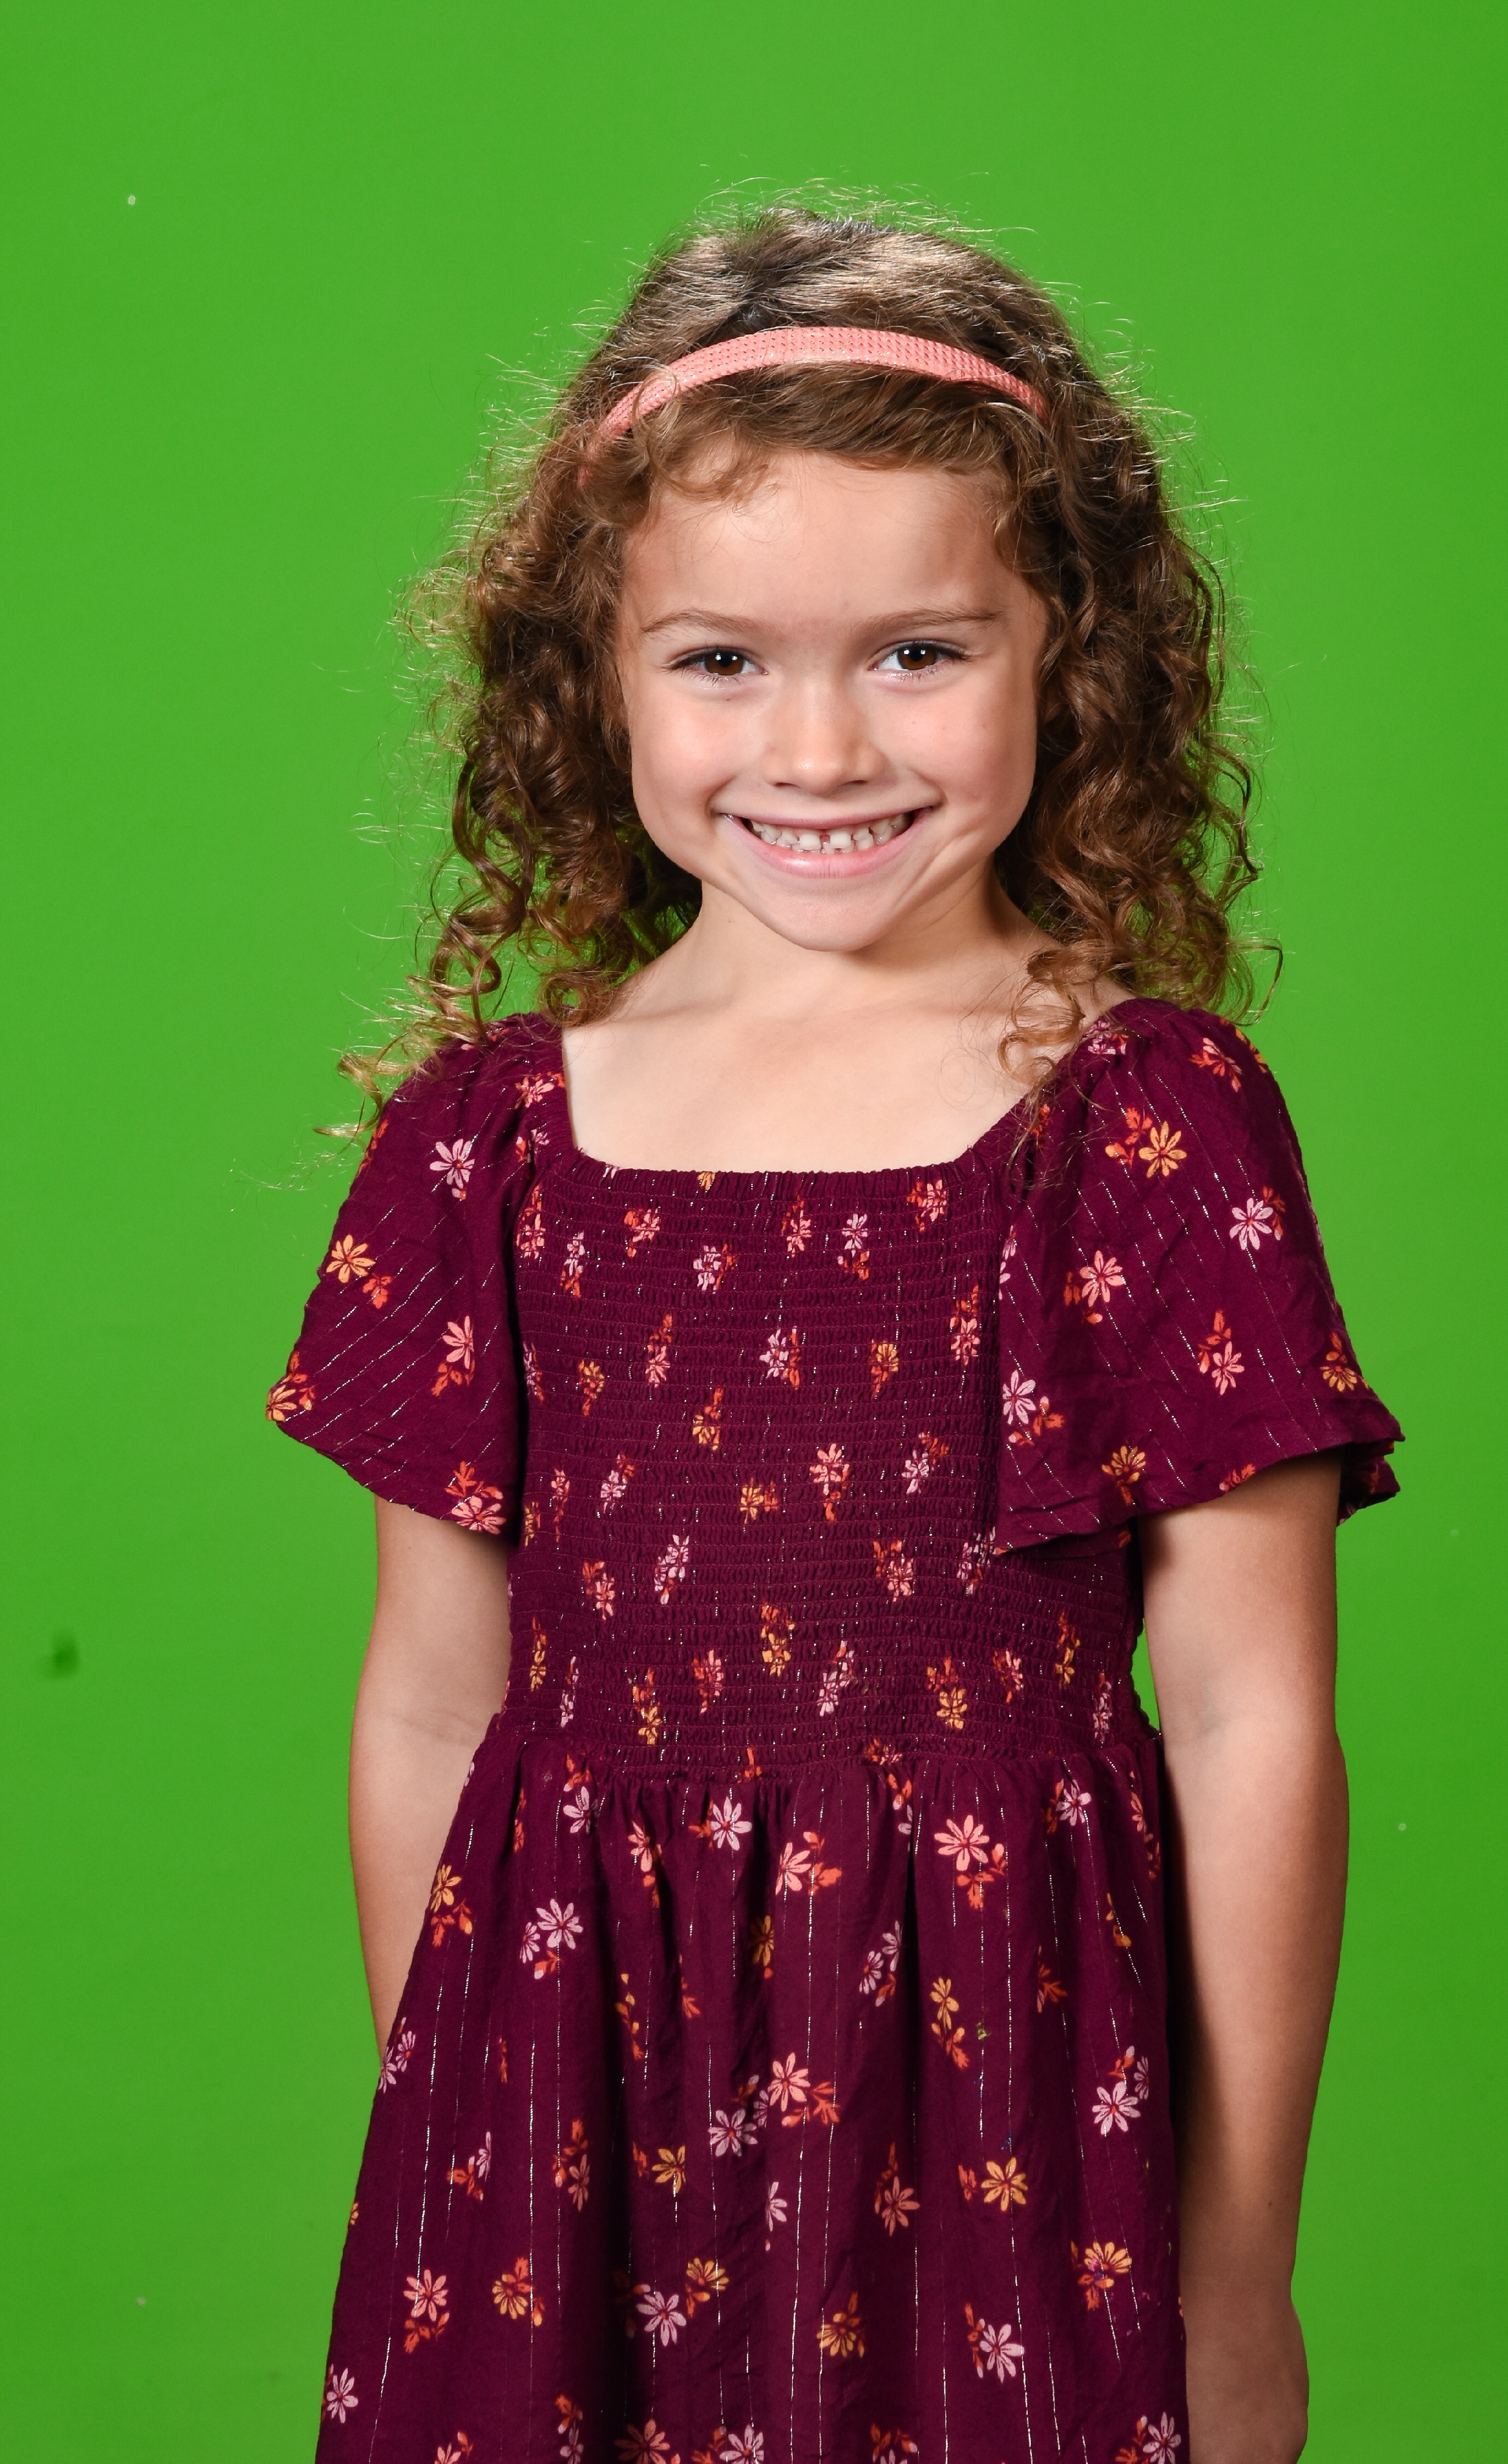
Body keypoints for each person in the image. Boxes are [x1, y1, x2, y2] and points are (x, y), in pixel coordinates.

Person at [270, 206, 1401, 2464]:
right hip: (567, 2135)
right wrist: (465, 2157)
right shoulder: (487, 1144)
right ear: (591, 673)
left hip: (1005, 2136)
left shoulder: (1142, 1124)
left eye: (914, 651)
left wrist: (1231, 2266)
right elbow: (428, 1706)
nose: (814, 745)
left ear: (1063, 646)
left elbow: (1249, 1715)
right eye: (718, 659)